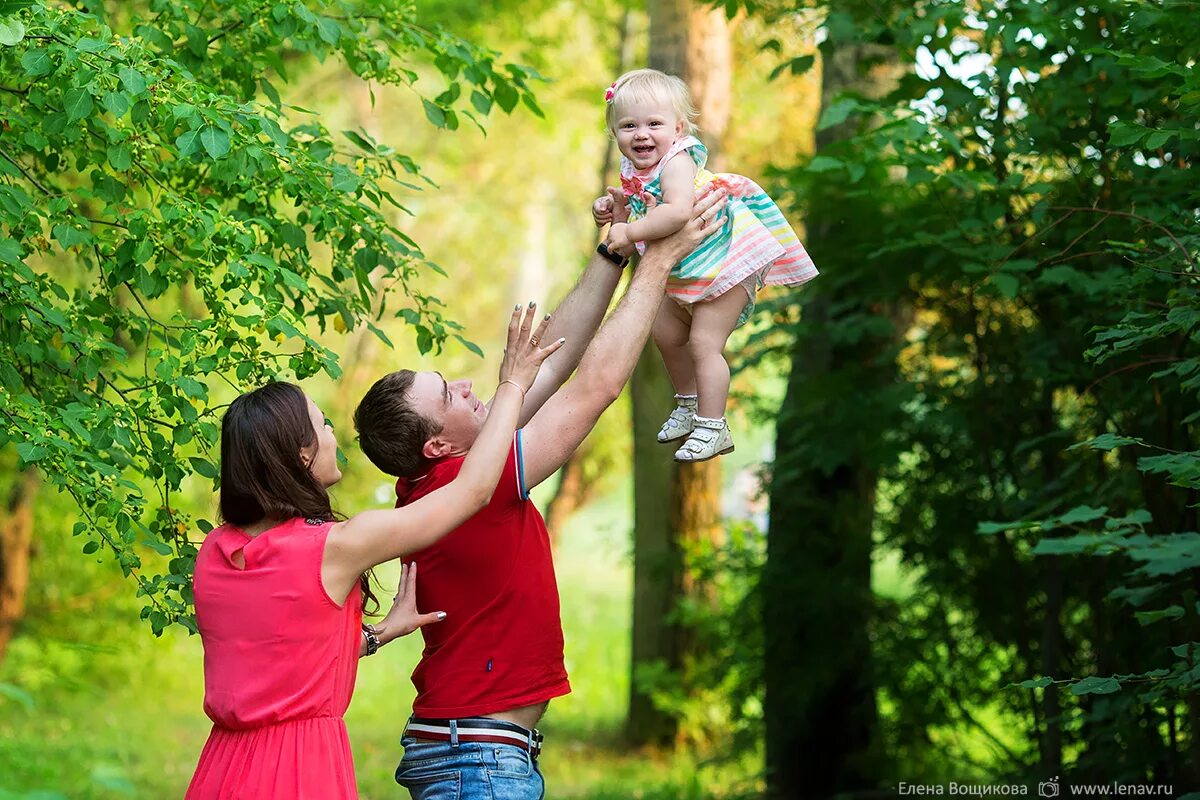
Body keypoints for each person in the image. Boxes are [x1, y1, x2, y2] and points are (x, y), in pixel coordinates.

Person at [353, 186, 728, 799]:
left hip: (474, 750)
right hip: (475, 758)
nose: (471, 386)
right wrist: (657, 262)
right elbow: (596, 386)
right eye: (450, 395)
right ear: (438, 449)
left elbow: (558, 360)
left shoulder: (445, 475)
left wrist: (613, 254)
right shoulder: (462, 485)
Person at [183, 306, 561, 800]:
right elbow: (471, 493)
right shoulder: (333, 546)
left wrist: (379, 634)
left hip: (223, 768)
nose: (333, 436)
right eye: (321, 426)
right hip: (298, 767)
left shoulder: (217, 551)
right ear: (300, 456)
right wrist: (511, 384)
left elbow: (278, 660)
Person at [592, 68, 819, 462]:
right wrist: (615, 211)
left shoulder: (677, 162)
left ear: (677, 129)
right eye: (629, 125)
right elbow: (640, 205)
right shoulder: (636, 169)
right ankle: (688, 404)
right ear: (615, 134)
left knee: (703, 344)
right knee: (663, 329)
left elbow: (677, 214)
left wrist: (628, 234)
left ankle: (713, 426)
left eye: (654, 124)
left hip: (725, 262)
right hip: (688, 269)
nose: (641, 134)